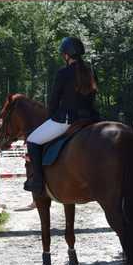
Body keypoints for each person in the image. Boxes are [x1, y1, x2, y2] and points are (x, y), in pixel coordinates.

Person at [25, 36, 99, 194]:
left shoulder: (63, 73)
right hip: (92, 118)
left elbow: (54, 101)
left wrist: (51, 118)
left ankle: (37, 182)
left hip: (67, 119)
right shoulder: (90, 71)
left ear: (66, 55)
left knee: (32, 140)